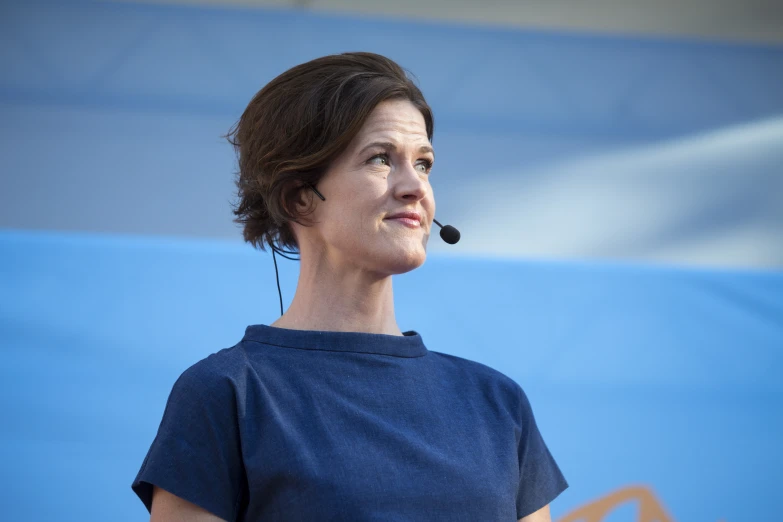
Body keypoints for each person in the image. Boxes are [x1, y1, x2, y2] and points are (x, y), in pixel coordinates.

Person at [131, 52, 568, 522]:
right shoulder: (227, 393)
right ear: (299, 197)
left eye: (423, 164)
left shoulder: (497, 402)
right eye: (381, 159)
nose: (414, 187)